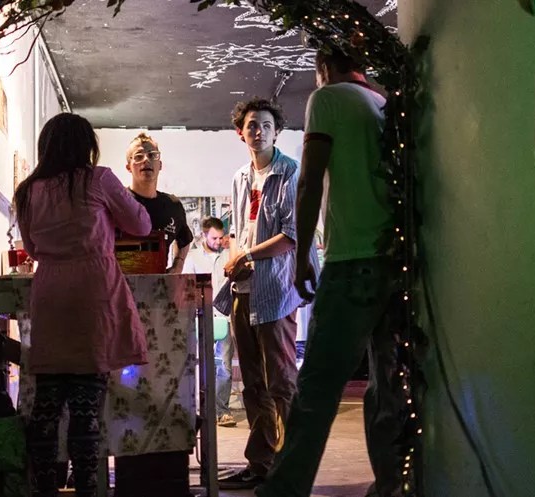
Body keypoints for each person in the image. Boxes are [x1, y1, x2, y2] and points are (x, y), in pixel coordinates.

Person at [255, 47, 403, 497]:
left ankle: (284, 489)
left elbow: (309, 181)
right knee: (387, 387)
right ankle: (392, 485)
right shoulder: (380, 102)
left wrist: (302, 258)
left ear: (324, 67)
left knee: (317, 386)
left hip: (351, 261)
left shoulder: (328, 98)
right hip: (394, 262)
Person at [13, 113, 151, 497]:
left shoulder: (28, 190)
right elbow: (141, 225)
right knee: (86, 405)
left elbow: (32, 248)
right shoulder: (99, 179)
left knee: (47, 404)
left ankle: (44, 488)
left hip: (50, 292)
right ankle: (88, 488)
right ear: (86, 145)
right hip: (93, 295)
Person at [213, 97, 320, 490]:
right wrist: (235, 256)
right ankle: (261, 464)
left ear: (277, 132)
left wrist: (246, 256)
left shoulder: (290, 172)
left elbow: (292, 235)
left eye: (266, 125)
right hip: (242, 288)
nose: (258, 131)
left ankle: (292, 468)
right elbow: (239, 231)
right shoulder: (240, 177)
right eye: (251, 125)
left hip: (275, 288)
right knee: (252, 383)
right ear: (240, 133)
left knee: (282, 382)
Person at [182, 217, 237, 428]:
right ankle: (199, 409)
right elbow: (186, 286)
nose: (218, 241)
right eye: (214, 238)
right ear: (204, 235)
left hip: (223, 317)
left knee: (224, 365)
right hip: (200, 316)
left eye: (220, 237)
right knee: (199, 364)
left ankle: (221, 410)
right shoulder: (193, 257)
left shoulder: (228, 256)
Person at [125, 132, 193, 273]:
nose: (146, 160)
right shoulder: (117, 202)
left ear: (160, 165)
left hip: (158, 284)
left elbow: (185, 239)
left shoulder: (172, 205)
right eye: (138, 156)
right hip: (120, 283)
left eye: (152, 155)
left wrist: (178, 264)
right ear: (129, 167)